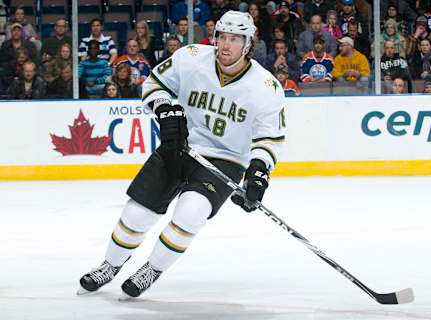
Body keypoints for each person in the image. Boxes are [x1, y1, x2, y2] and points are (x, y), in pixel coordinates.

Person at [78, 10, 286, 299]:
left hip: (226, 159)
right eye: (222, 37)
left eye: (235, 40)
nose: (225, 46)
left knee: (192, 211)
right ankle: (110, 264)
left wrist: (259, 174)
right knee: (136, 213)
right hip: (181, 146)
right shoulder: (190, 57)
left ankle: (152, 268)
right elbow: (153, 85)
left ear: (248, 44)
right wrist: (165, 109)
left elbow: (269, 138)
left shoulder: (266, 87)